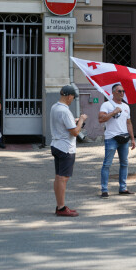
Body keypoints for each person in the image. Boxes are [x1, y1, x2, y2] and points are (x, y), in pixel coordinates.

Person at [50, 85, 88, 217]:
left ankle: (60, 205)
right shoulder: (65, 111)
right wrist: (81, 120)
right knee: (63, 178)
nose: (72, 100)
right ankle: (61, 207)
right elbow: (75, 132)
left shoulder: (55, 107)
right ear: (69, 96)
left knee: (58, 177)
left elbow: (65, 124)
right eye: (73, 97)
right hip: (65, 147)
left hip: (56, 144)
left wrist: (74, 121)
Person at [98, 84, 136, 198]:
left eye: (123, 91)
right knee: (107, 164)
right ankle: (104, 189)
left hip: (124, 138)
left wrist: (133, 139)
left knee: (124, 163)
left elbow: (128, 123)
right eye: (119, 91)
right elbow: (101, 119)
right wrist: (113, 112)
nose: (122, 93)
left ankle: (123, 188)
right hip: (111, 138)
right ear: (113, 92)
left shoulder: (126, 106)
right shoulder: (107, 104)